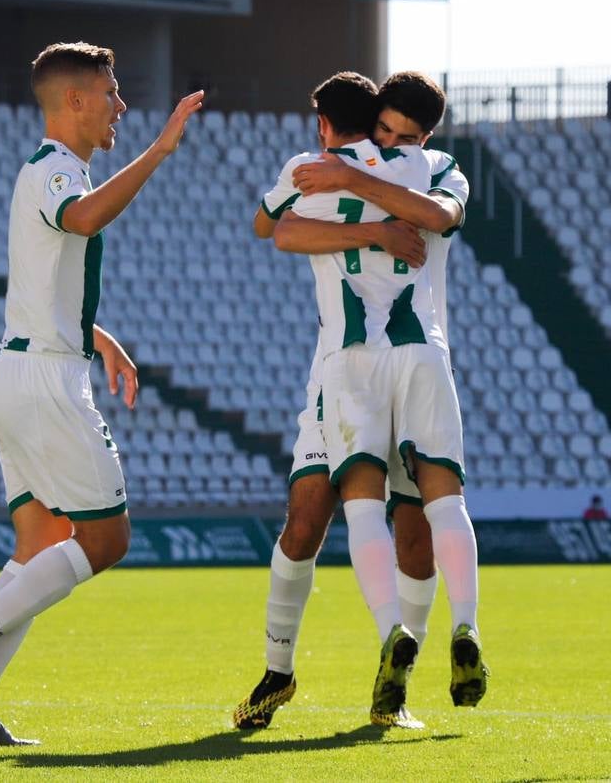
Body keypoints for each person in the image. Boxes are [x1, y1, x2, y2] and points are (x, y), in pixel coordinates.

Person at [0, 42, 204, 747]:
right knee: (106, 539)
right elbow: (79, 220)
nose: (121, 106)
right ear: (72, 100)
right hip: (43, 381)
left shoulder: (59, 171)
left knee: (40, 543)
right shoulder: (53, 170)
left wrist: (96, 334)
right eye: (110, 92)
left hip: (26, 369)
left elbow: (45, 275)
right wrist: (160, 150)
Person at [235, 72, 473, 730]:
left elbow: (437, 215)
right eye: (385, 128)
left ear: (426, 137)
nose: (393, 140)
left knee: (413, 527)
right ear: (370, 122)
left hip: (403, 362)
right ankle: (276, 670)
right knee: (307, 515)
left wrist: (356, 190)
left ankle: (393, 682)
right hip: (337, 370)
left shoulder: (428, 170)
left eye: (407, 134)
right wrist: (370, 228)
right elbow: (279, 232)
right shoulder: (328, 168)